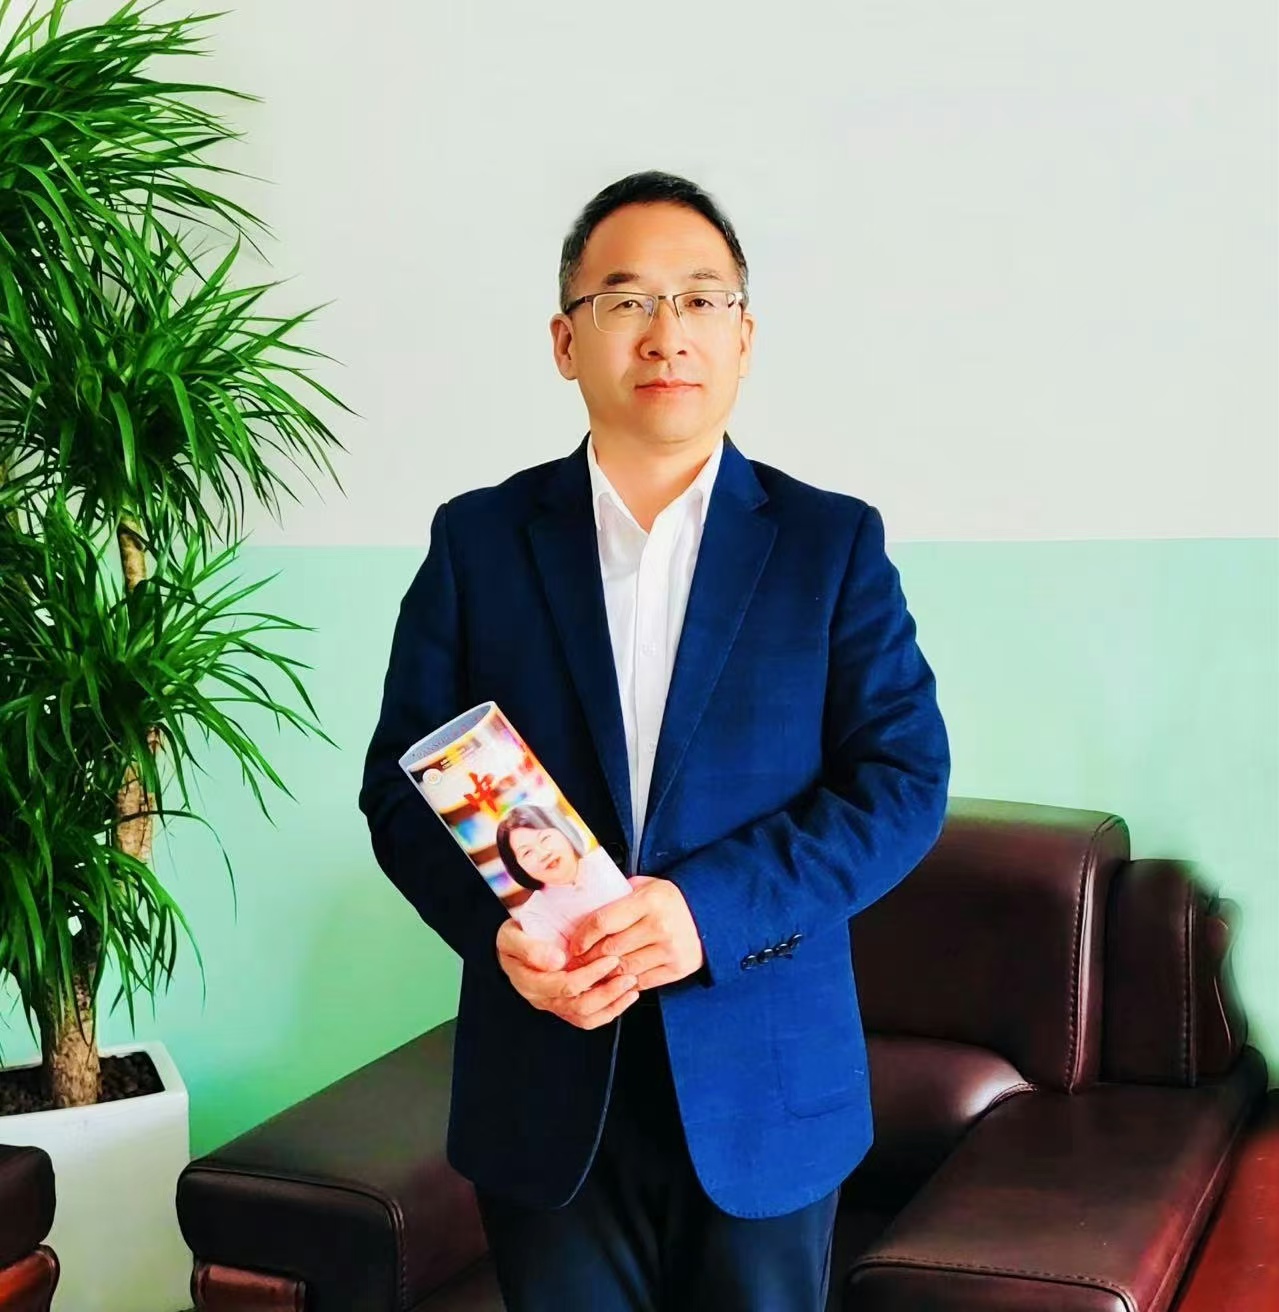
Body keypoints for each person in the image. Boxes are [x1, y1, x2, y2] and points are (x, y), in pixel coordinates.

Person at [358, 169, 950, 1312]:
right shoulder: (479, 542)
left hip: (765, 1089)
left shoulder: (828, 545)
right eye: (624, 299)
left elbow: (902, 781)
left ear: (743, 338)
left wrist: (703, 913)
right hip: (544, 1086)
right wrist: (499, 934)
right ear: (564, 340)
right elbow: (401, 787)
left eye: (700, 298)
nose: (665, 331)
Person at [494, 803, 628, 946]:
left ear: (564, 832)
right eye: (527, 852)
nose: (544, 854)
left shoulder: (603, 861)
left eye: (545, 838)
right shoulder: (534, 913)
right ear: (517, 867)